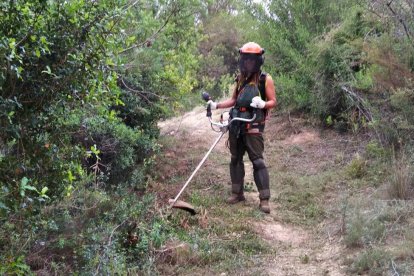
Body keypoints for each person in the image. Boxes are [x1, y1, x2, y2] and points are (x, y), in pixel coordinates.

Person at [207, 42, 277, 213]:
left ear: (258, 60)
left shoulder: (265, 79)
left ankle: (264, 200)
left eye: (252, 59)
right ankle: (237, 193)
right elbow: (234, 100)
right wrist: (217, 105)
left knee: (258, 161)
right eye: (245, 59)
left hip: (253, 124)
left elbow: (273, 101)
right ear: (242, 59)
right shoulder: (240, 78)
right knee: (235, 159)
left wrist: (263, 104)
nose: (248, 62)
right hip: (236, 123)